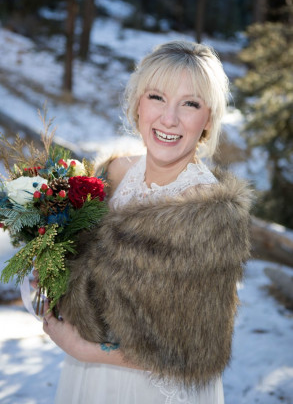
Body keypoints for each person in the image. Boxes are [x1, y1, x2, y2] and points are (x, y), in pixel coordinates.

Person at [41, 40, 252, 404]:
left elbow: (196, 351)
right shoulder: (113, 175)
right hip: (87, 381)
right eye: (157, 97)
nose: (169, 119)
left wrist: (85, 349)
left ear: (208, 119)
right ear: (137, 103)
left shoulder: (210, 214)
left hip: (153, 391)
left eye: (190, 104)